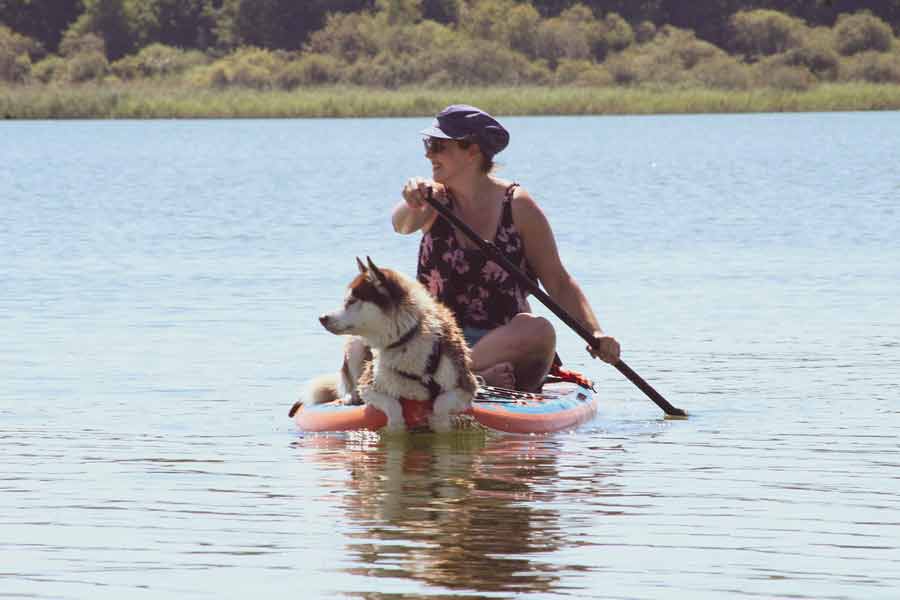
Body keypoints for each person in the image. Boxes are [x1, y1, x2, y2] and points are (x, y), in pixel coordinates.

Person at [391, 105, 620, 392]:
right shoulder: (432, 199)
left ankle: (451, 376)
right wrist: (414, 200)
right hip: (437, 341)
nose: (429, 154)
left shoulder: (518, 205)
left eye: (439, 146)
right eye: (428, 144)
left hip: (503, 344)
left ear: (472, 150)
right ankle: (463, 377)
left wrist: (595, 332)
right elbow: (401, 224)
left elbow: (558, 282)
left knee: (539, 330)